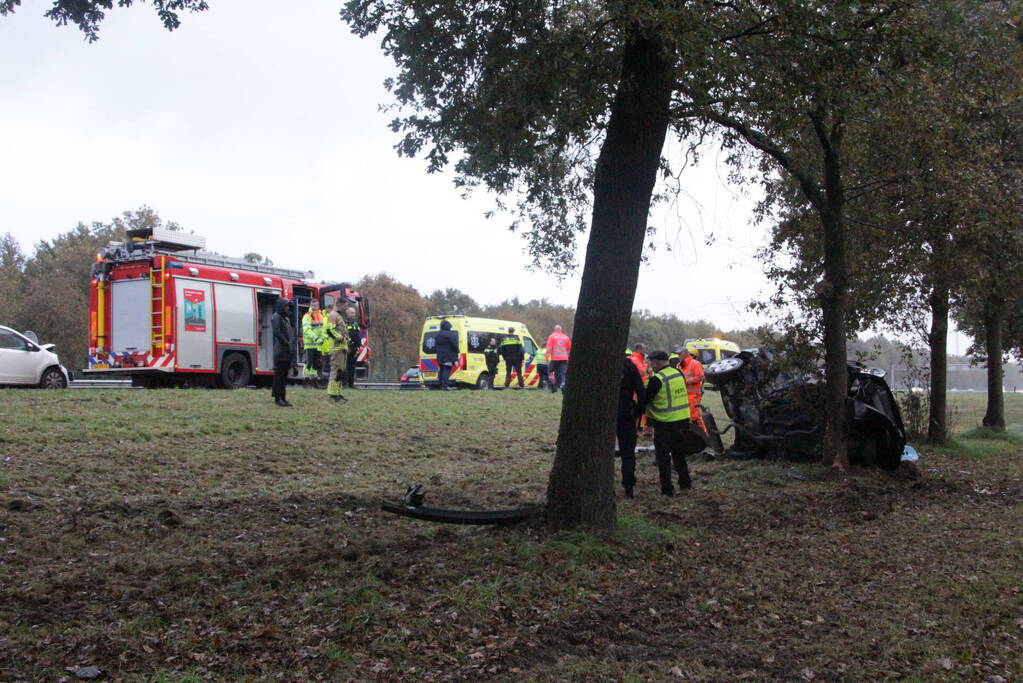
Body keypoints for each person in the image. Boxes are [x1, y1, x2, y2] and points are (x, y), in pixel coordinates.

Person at [643, 350, 705, 495]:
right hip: (682, 420)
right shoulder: (678, 373)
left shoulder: (657, 379)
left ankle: (667, 489)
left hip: (665, 423)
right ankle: (685, 483)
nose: (650, 365)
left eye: (651, 362)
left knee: (663, 458)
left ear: (657, 362)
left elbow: (645, 400)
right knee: (678, 454)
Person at [618, 351, 646, 499]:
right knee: (628, 452)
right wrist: (638, 412)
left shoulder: (601, 365)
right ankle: (629, 487)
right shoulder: (629, 366)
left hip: (604, 414)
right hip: (625, 413)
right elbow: (641, 391)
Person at [271, 297, 296, 407]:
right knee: (279, 376)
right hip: (280, 351)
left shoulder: (285, 318)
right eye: (286, 306)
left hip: (286, 351)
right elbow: (277, 333)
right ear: (282, 306)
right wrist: (287, 343)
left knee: (284, 376)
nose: (288, 308)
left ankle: (283, 398)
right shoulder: (276, 317)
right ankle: (277, 398)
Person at [323, 303, 350, 403]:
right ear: (339, 305)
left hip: (342, 347)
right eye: (345, 305)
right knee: (336, 370)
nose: (346, 308)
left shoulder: (339, 316)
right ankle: (333, 394)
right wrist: (340, 338)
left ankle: (338, 393)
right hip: (336, 347)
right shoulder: (333, 315)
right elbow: (330, 330)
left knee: (341, 372)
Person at [678, 348, 707, 433]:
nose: (678, 356)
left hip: (693, 395)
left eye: (680, 354)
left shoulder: (695, 363)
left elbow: (701, 377)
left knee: (695, 417)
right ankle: (691, 434)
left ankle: (704, 435)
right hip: (682, 395)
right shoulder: (679, 365)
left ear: (686, 354)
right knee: (685, 416)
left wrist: (686, 381)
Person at [301, 299, 325, 385]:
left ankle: (313, 380)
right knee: (309, 363)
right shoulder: (307, 316)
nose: (315, 307)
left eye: (316, 305)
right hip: (310, 344)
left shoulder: (321, 315)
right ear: (310, 306)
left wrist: (323, 338)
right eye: (313, 305)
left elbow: (323, 329)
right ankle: (306, 379)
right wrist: (316, 338)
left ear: (318, 306)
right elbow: (307, 330)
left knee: (315, 363)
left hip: (318, 344)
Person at [435, 319, 459, 390]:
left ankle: (441, 385)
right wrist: (457, 351)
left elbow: (435, 346)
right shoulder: (451, 335)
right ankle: (445, 386)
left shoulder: (437, 335)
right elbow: (454, 345)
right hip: (449, 356)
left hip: (440, 356)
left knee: (441, 370)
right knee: (447, 370)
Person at [545, 324, 571, 393]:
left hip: (555, 358)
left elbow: (548, 348)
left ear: (554, 329)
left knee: (550, 371)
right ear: (561, 330)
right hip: (564, 358)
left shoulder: (551, 337)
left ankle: (552, 385)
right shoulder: (566, 337)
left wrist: (547, 358)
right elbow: (569, 349)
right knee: (563, 373)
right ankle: (563, 384)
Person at [344, 307, 363, 389]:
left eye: (354, 313)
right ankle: (344, 383)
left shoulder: (355, 324)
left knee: (352, 367)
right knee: (345, 367)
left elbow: (357, 335)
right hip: (347, 347)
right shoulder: (344, 323)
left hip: (355, 348)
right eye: (352, 313)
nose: (353, 315)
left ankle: (351, 384)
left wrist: (359, 345)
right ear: (347, 314)